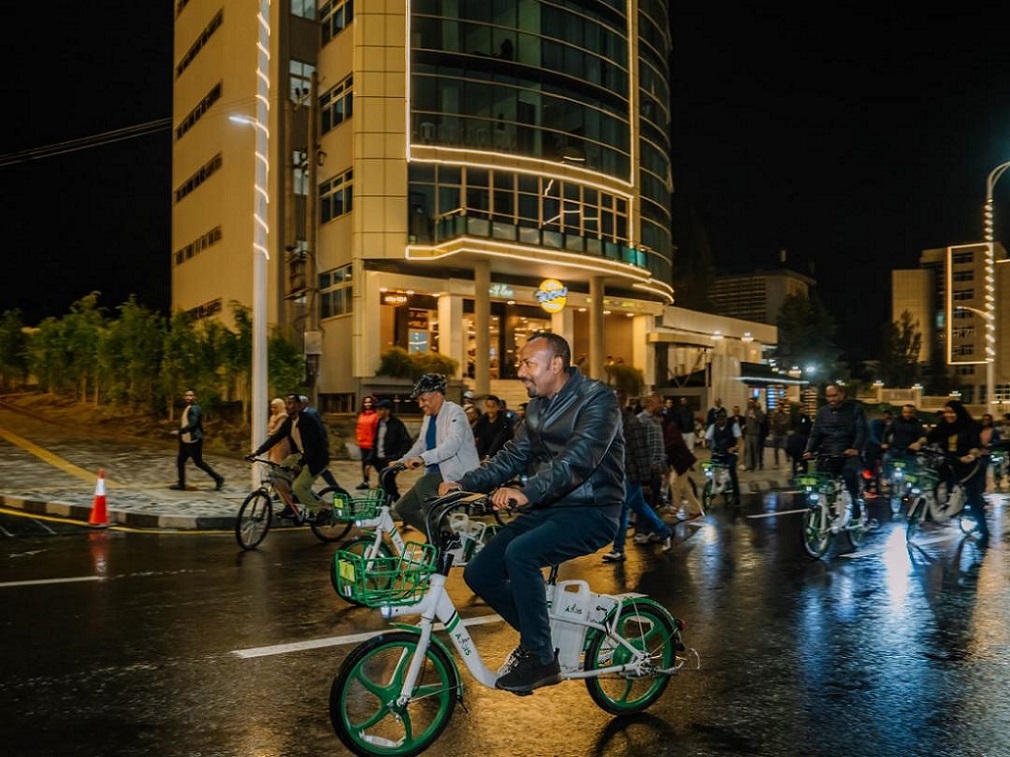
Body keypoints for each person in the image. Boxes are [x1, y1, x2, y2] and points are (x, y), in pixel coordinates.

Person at [440, 333, 623, 695]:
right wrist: (463, 483)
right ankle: (539, 640)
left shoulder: (597, 400)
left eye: (528, 363)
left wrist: (525, 492)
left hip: (593, 510)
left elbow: (578, 460)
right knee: (480, 572)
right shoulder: (539, 406)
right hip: (549, 507)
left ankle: (540, 657)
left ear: (556, 364)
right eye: (521, 363)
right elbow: (513, 456)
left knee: (520, 553)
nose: (520, 370)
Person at [390, 374, 480, 536]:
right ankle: (436, 537)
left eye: (423, 399)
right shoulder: (428, 417)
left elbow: (452, 444)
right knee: (403, 508)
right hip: (435, 473)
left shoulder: (455, 413)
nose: (420, 404)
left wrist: (424, 458)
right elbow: (421, 444)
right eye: (419, 400)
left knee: (423, 484)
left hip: (458, 473)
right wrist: (401, 462)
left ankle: (446, 537)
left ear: (438, 395)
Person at [603, 392, 673, 562]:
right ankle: (664, 532)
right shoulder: (616, 421)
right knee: (640, 506)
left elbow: (641, 451)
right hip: (623, 472)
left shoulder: (632, 422)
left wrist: (645, 479)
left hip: (630, 473)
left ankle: (618, 549)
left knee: (621, 509)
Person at [249, 393, 331, 522]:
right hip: (300, 455)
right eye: (286, 403)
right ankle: (290, 507)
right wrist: (257, 452)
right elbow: (276, 437)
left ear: (298, 406)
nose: (288, 406)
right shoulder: (289, 421)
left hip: (316, 458)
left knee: (298, 487)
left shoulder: (307, 420)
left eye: (291, 403)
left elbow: (313, 446)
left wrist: (301, 464)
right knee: (277, 472)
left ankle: (321, 511)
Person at [924, 400, 990, 547]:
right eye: (946, 412)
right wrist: (918, 443)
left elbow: (975, 446)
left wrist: (971, 455)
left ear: (958, 413)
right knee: (931, 479)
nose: (949, 415)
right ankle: (933, 511)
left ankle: (985, 533)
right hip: (950, 462)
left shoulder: (970, 426)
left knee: (973, 499)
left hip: (969, 466)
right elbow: (931, 436)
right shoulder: (944, 426)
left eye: (952, 412)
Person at [803, 384, 868, 520]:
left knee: (849, 474)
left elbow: (862, 431)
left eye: (835, 395)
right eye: (829, 396)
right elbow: (815, 434)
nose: (832, 399)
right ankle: (824, 508)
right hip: (827, 455)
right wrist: (809, 450)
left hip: (849, 455)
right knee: (818, 480)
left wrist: (855, 448)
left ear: (842, 395)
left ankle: (855, 502)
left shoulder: (855, 410)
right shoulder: (822, 412)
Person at [170, 388, 225, 491]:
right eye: (187, 395)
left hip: (193, 440)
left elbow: (193, 424)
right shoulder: (188, 408)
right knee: (180, 460)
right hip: (186, 440)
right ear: (184, 397)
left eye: (191, 395)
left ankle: (219, 479)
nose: (188, 397)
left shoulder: (195, 408)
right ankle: (181, 484)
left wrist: (180, 431)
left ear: (195, 397)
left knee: (198, 462)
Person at [367, 399, 413, 498]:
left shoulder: (397, 424)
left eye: (380, 409)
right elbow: (375, 442)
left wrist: (396, 458)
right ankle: (393, 504)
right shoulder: (379, 423)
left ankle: (390, 505)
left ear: (387, 411)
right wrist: (369, 461)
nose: (378, 412)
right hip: (379, 461)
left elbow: (407, 442)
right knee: (387, 485)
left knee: (386, 483)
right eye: (377, 409)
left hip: (390, 461)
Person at [637, 392, 670, 510]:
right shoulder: (641, 420)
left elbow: (658, 446)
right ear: (650, 403)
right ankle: (642, 528)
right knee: (645, 505)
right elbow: (638, 447)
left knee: (653, 504)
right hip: (647, 471)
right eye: (660, 402)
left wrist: (664, 466)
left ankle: (648, 528)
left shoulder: (656, 421)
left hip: (656, 470)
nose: (663, 405)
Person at [705, 409, 742, 505]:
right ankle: (713, 483)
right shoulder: (713, 426)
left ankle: (736, 495)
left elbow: (739, 440)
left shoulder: (733, 425)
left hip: (731, 453)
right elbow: (707, 438)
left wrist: (735, 447)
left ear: (725, 418)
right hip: (719, 452)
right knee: (708, 467)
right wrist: (706, 442)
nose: (720, 421)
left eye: (721, 419)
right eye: (718, 419)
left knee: (732, 470)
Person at [472, 394, 513, 460]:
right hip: (482, 455)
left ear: (498, 407)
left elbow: (501, 439)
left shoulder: (505, 422)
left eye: (493, 406)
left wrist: (489, 455)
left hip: (500, 455)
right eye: (488, 406)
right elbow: (475, 434)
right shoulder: (482, 420)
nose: (490, 409)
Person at [354, 396, 380, 489]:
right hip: (363, 444)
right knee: (364, 464)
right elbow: (358, 428)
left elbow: (378, 430)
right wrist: (358, 438)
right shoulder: (361, 415)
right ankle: (365, 482)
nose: (367, 404)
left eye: (369, 402)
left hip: (372, 445)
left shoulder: (376, 416)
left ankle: (384, 480)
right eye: (365, 402)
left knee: (373, 464)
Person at [265, 397, 291, 464]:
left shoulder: (283, 416)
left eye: (275, 407)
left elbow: (278, 429)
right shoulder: (272, 417)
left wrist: (271, 433)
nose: (273, 409)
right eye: (272, 407)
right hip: (273, 442)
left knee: (279, 460)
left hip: (281, 441)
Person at [743, 398, 766, 471]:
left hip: (755, 434)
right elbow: (746, 421)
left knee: (756, 450)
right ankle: (749, 465)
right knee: (749, 450)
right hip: (748, 433)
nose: (750, 404)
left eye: (751, 403)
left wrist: (755, 417)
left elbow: (762, 421)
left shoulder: (759, 412)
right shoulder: (746, 411)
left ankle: (757, 465)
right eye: (749, 403)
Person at [769, 404, 790, 468]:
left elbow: (786, 422)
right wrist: (773, 416)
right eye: (778, 407)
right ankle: (776, 463)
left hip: (783, 434)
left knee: (786, 447)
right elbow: (772, 423)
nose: (779, 408)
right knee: (776, 450)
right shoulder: (775, 415)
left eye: (780, 407)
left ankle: (787, 457)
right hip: (776, 433)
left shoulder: (786, 415)